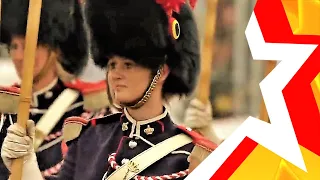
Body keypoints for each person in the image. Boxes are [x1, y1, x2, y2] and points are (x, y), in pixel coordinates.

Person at [1, 0, 218, 179]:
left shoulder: (189, 155)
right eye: (112, 64)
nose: (115, 74)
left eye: (128, 65)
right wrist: (27, 164)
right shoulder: (88, 138)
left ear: (161, 72)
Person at [0, 0, 111, 179]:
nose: (19, 56)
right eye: (14, 46)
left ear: (56, 48)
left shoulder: (88, 110)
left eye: (30, 44)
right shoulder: (4, 108)